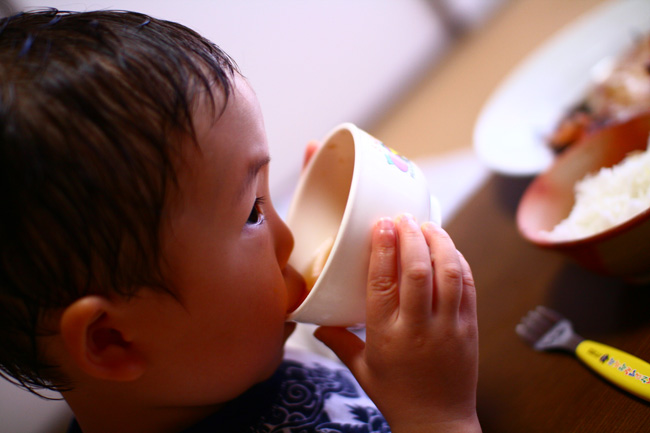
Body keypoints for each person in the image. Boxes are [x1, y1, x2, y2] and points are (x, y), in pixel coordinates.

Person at [0, 9, 481, 433]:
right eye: (253, 213)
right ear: (114, 340)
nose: (288, 238)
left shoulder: (215, 367)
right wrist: (437, 416)